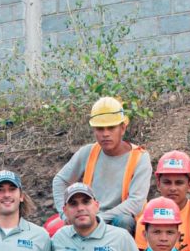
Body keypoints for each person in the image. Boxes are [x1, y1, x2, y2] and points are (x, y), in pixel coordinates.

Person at [51, 97, 151, 231]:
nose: (105, 134)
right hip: (90, 217)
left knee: (124, 220)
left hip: (118, 221)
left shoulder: (140, 158)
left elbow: (136, 202)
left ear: (122, 128)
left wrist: (99, 219)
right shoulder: (88, 152)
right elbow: (60, 180)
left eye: (111, 128)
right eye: (100, 129)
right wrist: (65, 215)